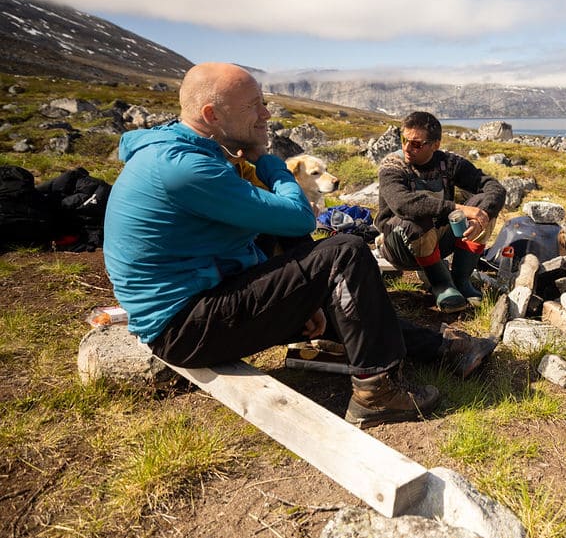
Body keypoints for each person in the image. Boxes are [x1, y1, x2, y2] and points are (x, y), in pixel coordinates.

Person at [104, 62, 441, 427]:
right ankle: (378, 393)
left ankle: (442, 349)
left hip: (202, 297)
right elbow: (298, 216)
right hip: (182, 328)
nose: (266, 114)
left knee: (328, 278)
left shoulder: (190, 152)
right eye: (254, 105)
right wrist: (270, 163)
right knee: (344, 252)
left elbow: (243, 240)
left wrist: (301, 299)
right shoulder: (184, 167)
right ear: (211, 115)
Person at [376, 111, 507, 312]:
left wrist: (482, 215)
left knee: (484, 206)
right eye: (404, 139)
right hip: (399, 245)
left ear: (435, 144)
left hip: (437, 242)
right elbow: (403, 205)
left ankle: (460, 280)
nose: (407, 147)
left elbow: (494, 187)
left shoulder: (449, 163)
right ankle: (441, 285)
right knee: (417, 218)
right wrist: (457, 208)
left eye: (416, 144)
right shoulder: (392, 165)